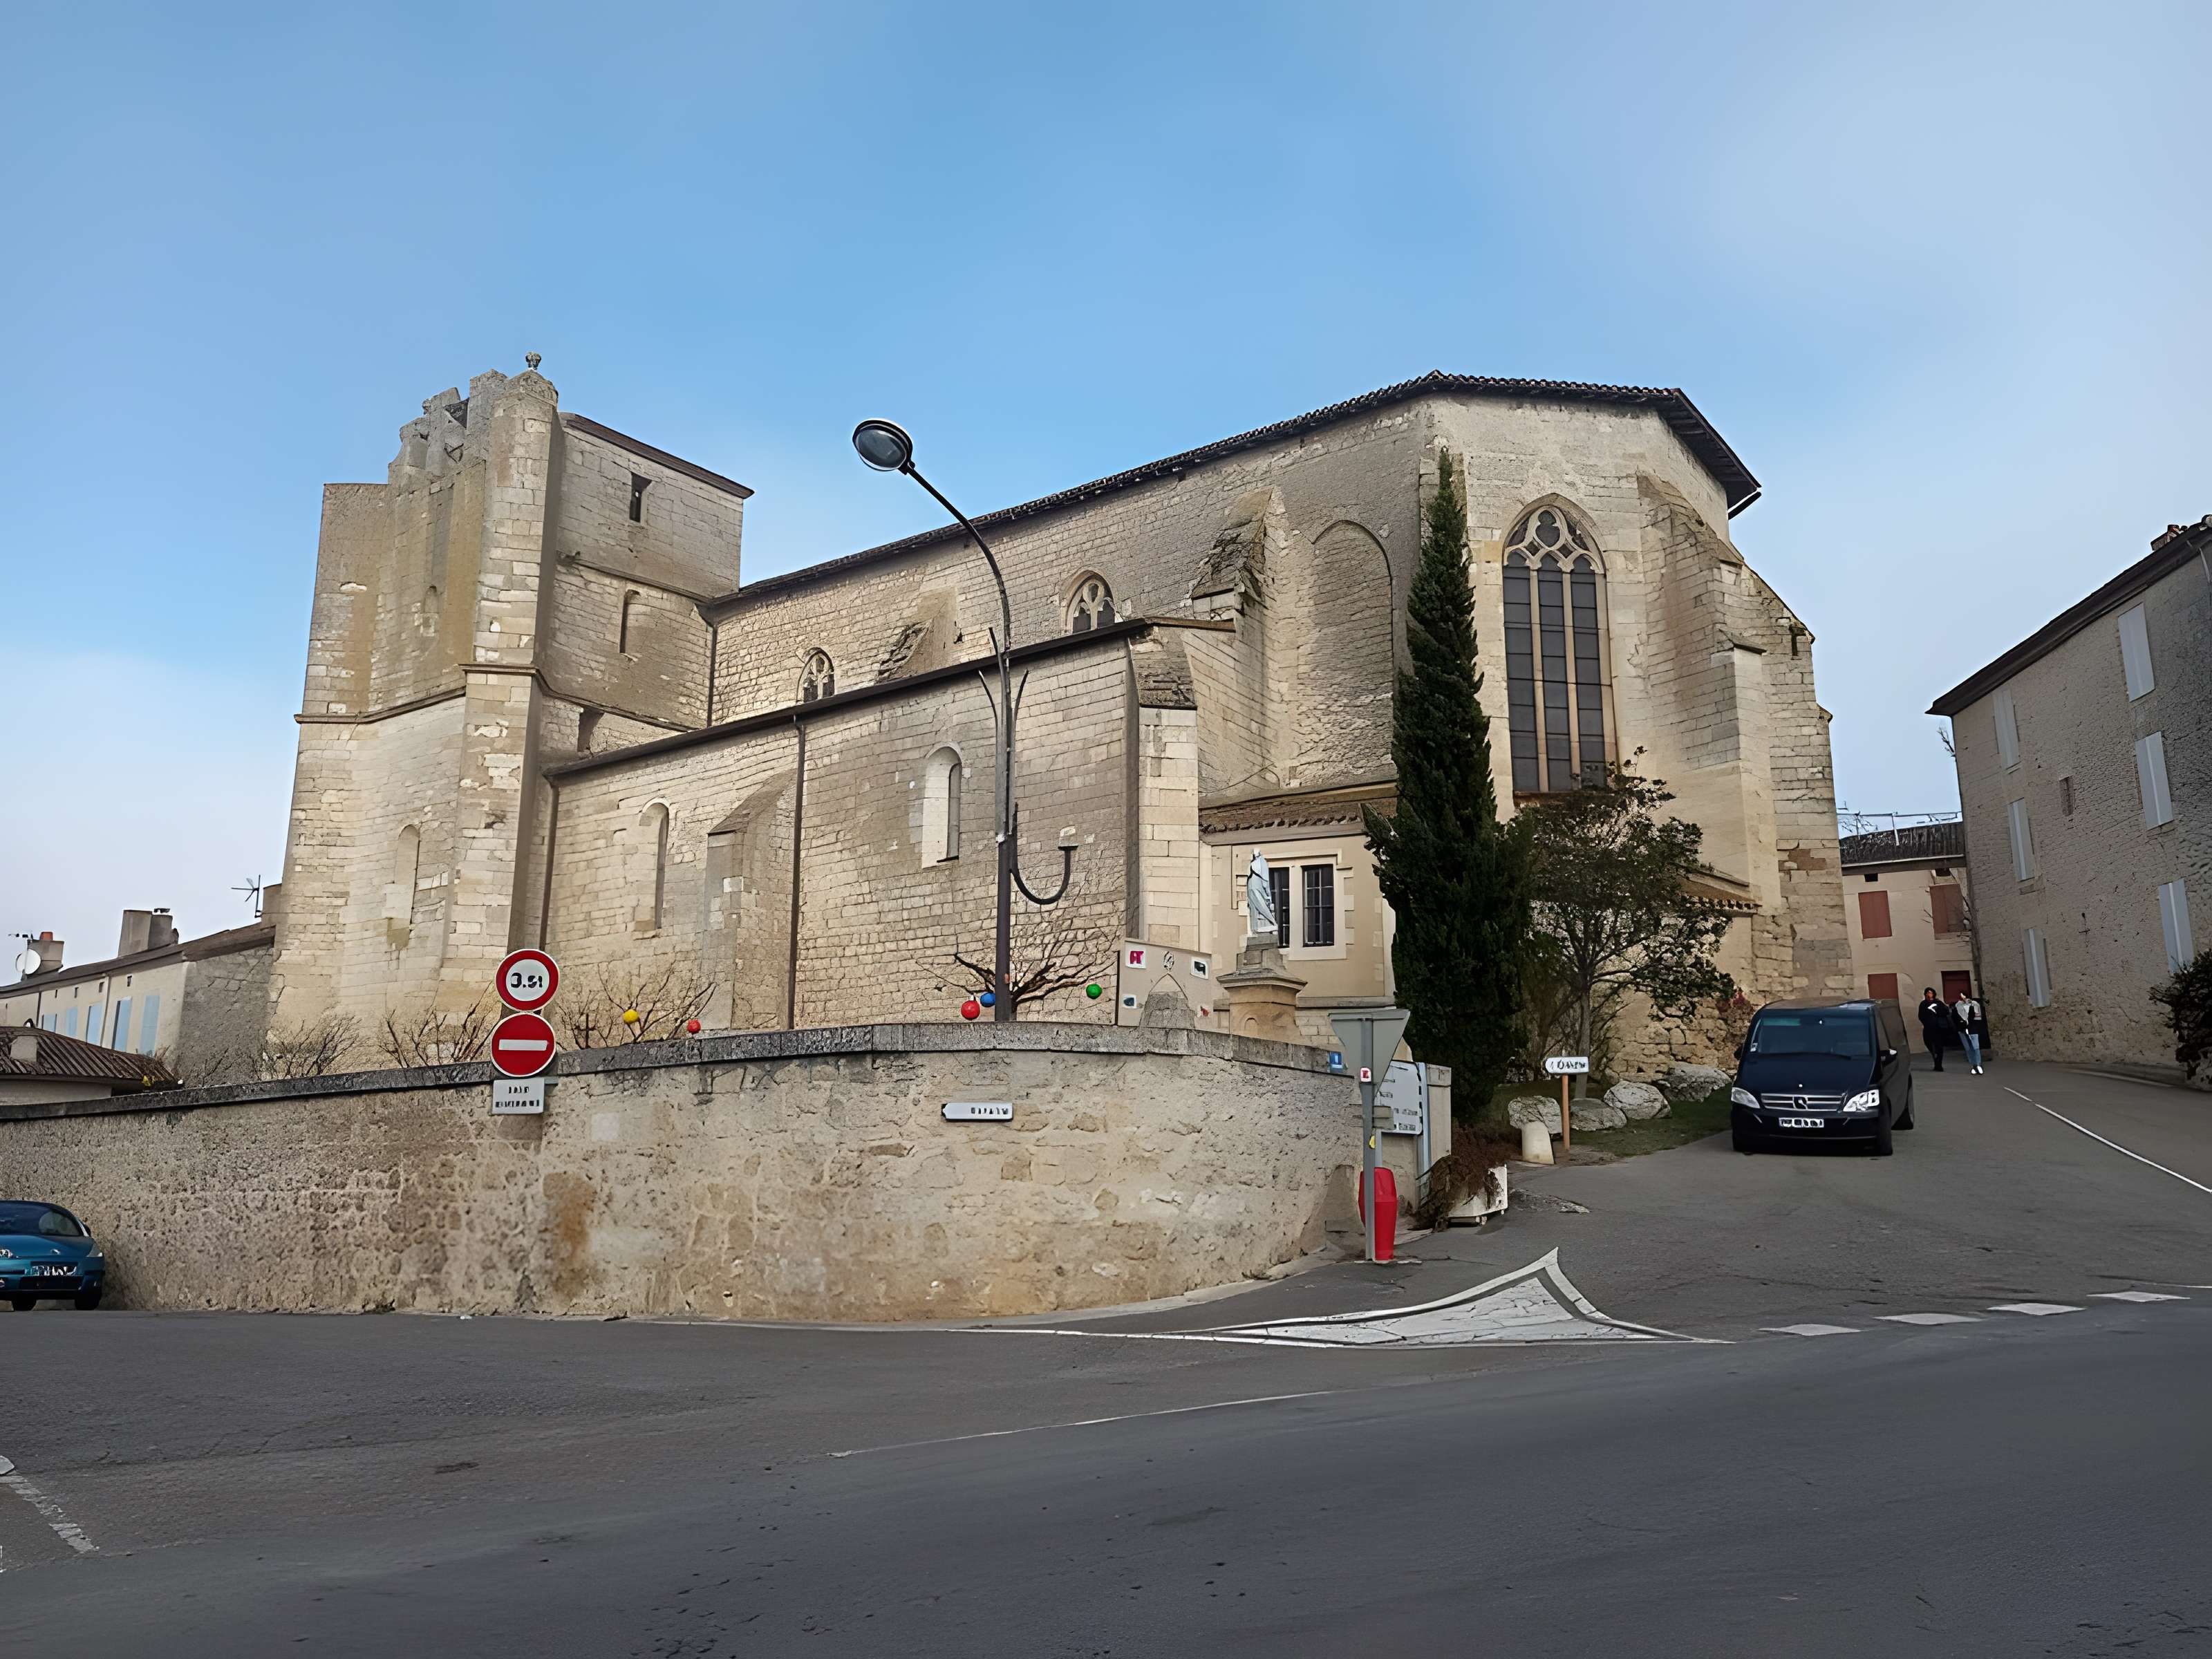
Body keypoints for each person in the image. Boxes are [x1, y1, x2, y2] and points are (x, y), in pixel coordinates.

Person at [1918, 987, 1958, 1071]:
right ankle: (1935, 1057)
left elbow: (1946, 1012)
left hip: (1938, 1028)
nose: (1929, 994)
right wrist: (1926, 1023)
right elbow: (1921, 1015)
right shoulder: (1923, 1004)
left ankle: (1938, 1065)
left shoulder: (1938, 1003)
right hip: (1928, 1028)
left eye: (1930, 993)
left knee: (1939, 1046)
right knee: (1928, 1043)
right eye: (1927, 993)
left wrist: (1937, 1011)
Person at [1951, 986, 1985, 1074]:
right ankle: (1974, 1065)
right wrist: (1961, 1024)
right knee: (1968, 1048)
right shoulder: (1957, 1006)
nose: (1963, 998)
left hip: (1973, 1028)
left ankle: (1978, 1064)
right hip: (1962, 1029)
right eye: (1961, 996)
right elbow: (1955, 1018)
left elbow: (1978, 1017)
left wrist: (1973, 1025)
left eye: (1964, 996)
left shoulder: (1974, 1004)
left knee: (1976, 1047)